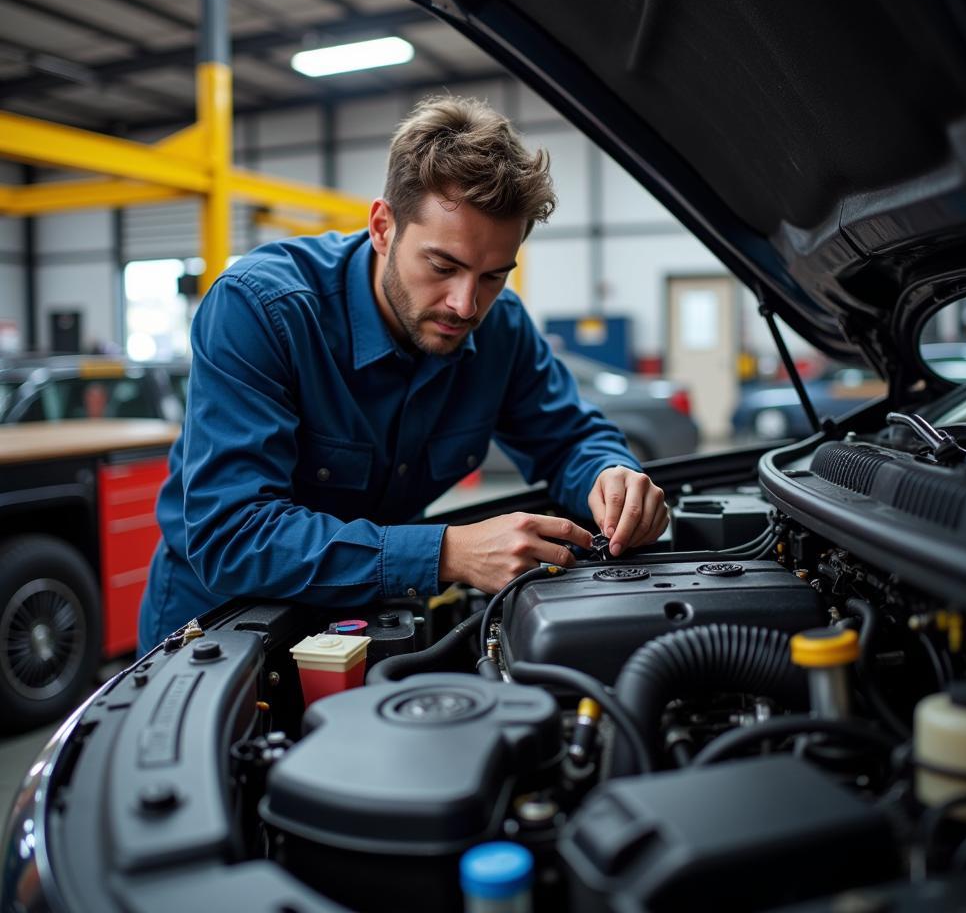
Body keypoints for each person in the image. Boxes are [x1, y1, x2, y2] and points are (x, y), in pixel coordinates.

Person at [137, 96, 668, 651]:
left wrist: (611, 476)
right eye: (443, 266)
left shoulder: (500, 329)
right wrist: (446, 552)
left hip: (373, 621)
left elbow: (570, 439)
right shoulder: (262, 310)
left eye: (493, 276)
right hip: (220, 635)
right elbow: (233, 534)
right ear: (383, 227)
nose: (466, 305)